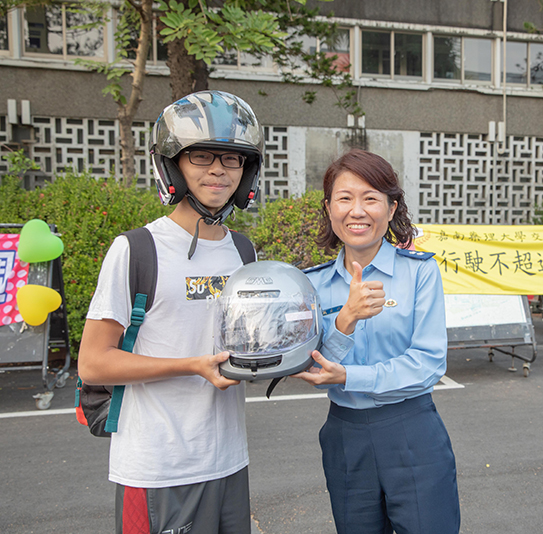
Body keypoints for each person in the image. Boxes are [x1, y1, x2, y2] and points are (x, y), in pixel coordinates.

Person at [77, 90, 263, 534]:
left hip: (229, 460)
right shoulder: (136, 249)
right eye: (201, 156)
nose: (218, 169)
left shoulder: (243, 251)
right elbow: (93, 362)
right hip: (158, 467)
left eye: (232, 159)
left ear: (247, 170)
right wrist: (192, 366)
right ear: (172, 165)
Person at [295, 149, 460, 534]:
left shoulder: (419, 273)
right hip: (345, 436)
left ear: (391, 207)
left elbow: (428, 362)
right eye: (345, 198)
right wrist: (345, 319)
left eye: (370, 198)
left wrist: (351, 377)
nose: (357, 210)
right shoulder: (312, 285)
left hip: (412, 429)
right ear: (329, 208)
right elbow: (313, 364)